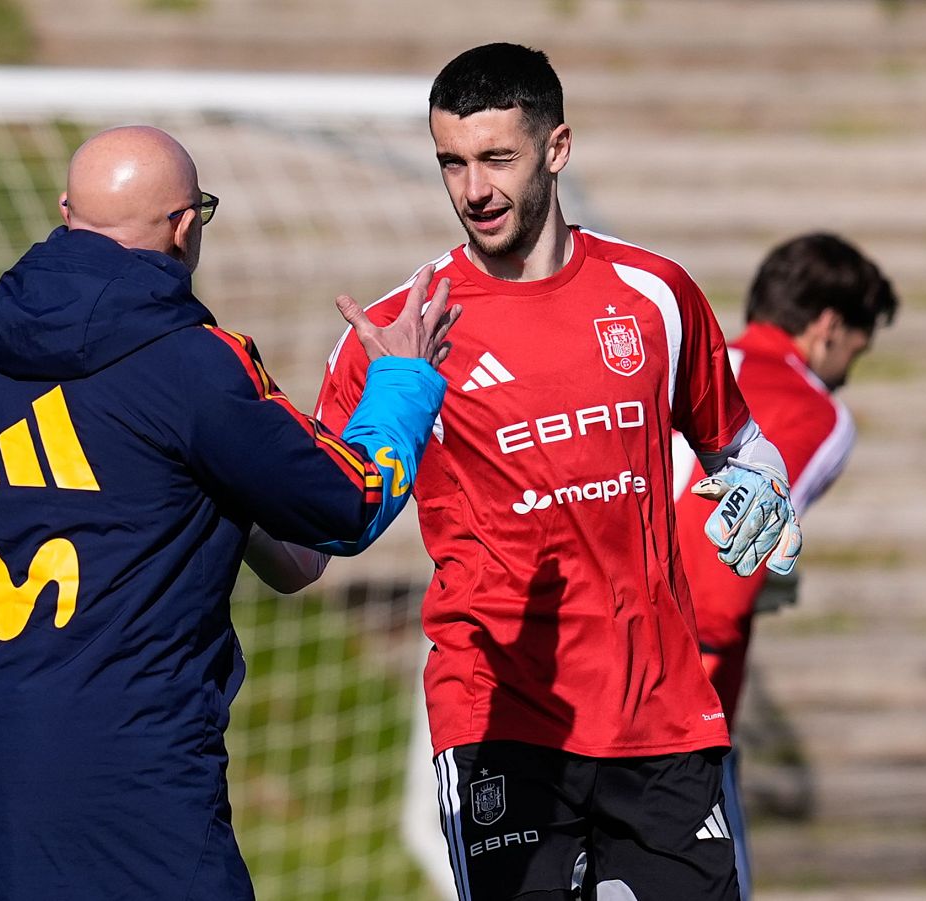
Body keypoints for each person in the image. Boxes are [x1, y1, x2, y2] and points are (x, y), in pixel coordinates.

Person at [0, 125, 460, 900]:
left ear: (66, 212)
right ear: (185, 225)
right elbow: (349, 503)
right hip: (144, 789)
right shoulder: (196, 365)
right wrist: (401, 382)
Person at [309, 43, 802, 900]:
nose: (475, 190)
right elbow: (315, 519)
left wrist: (768, 484)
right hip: (498, 713)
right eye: (452, 164)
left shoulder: (657, 295)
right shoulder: (394, 333)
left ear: (557, 146)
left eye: (498, 158)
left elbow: (737, 444)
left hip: (660, 709)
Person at [671, 232, 899, 900]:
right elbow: (722, 562)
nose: (850, 367)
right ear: (828, 328)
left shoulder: (683, 359)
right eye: (858, 347)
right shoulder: (814, 410)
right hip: (674, 707)